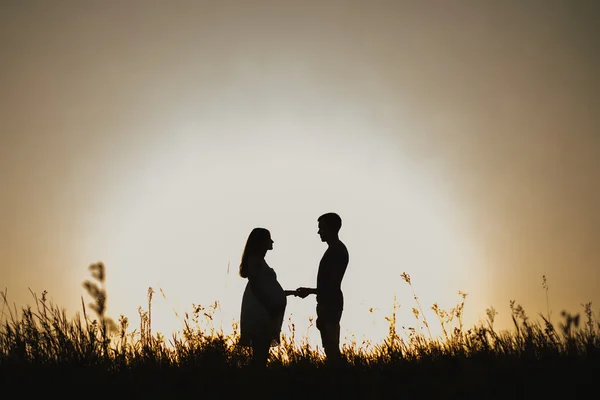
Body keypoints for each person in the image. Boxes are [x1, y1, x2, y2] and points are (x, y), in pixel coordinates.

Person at [239, 227, 297, 367]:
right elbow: (257, 287)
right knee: (260, 352)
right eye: (268, 238)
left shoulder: (259, 261)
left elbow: (268, 288)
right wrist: (269, 306)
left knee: (262, 352)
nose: (271, 241)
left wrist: (290, 293)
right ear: (261, 242)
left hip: (264, 309)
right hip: (260, 311)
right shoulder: (254, 261)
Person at [297, 212, 349, 364]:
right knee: (329, 346)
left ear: (333, 228)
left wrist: (310, 291)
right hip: (327, 302)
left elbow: (332, 285)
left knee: (331, 347)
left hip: (331, 303)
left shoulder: (337, 251)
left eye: (322, 228)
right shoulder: (334, 250)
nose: (319, 231)